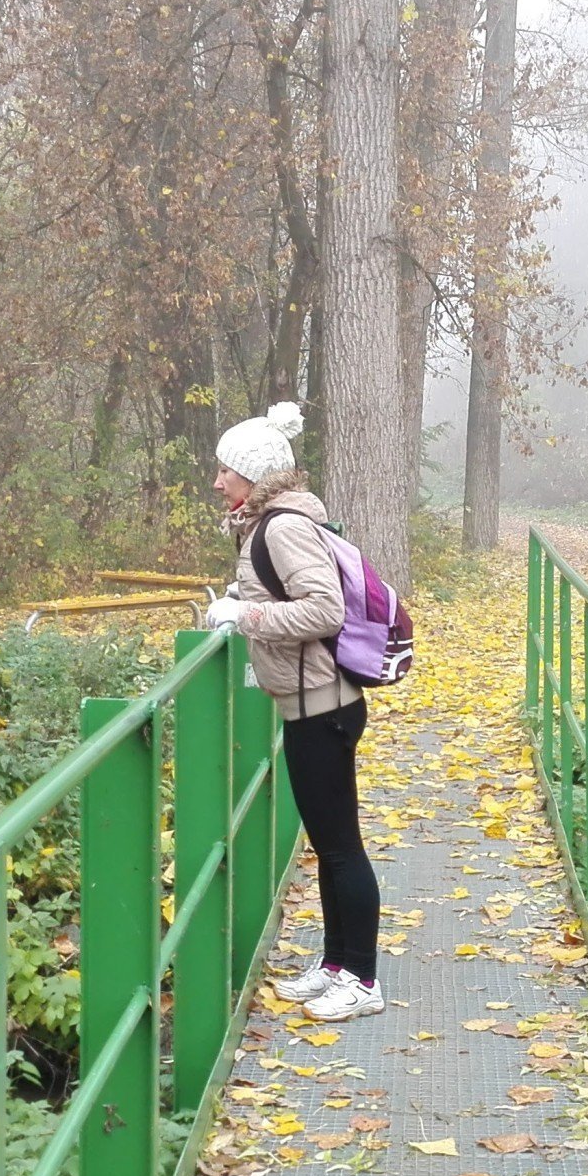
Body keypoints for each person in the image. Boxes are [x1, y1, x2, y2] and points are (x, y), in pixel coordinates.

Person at [201, 402, 384, 1023]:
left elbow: (323, 610)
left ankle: (362, 977)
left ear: (252, 473)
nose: (218, 480)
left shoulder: (281, 526)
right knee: (329, 845)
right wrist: (244, 596)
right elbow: (283, 589)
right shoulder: (266, 525)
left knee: (340, 849)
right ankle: (336, 964)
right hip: (309, 703)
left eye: (226, 470)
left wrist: (244, 617)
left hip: (323, 707)